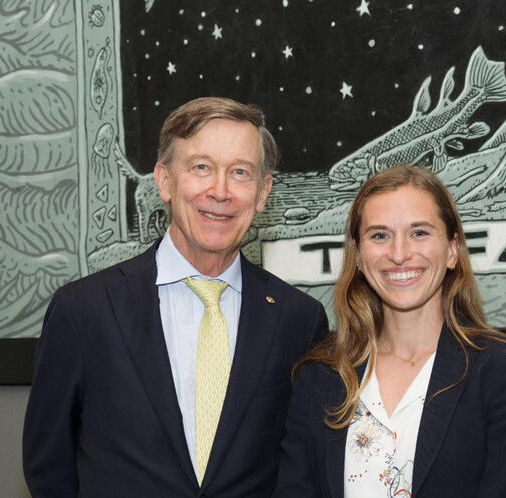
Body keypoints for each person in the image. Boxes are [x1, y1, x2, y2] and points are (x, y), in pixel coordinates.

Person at [23, 97, 328, 497]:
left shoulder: (299, 320)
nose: (220, 191)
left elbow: (304, 466)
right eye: (201, 167)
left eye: (240, 172)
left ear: (262, 191)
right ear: (164, 181)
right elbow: (48, 467)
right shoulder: (84, 311)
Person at [275, 165, 506, 498]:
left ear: (452, 249)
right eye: (379, 235)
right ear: (358, 256)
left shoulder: (502, 370)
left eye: (419, 233)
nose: (399, 254)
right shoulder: (320, 374)